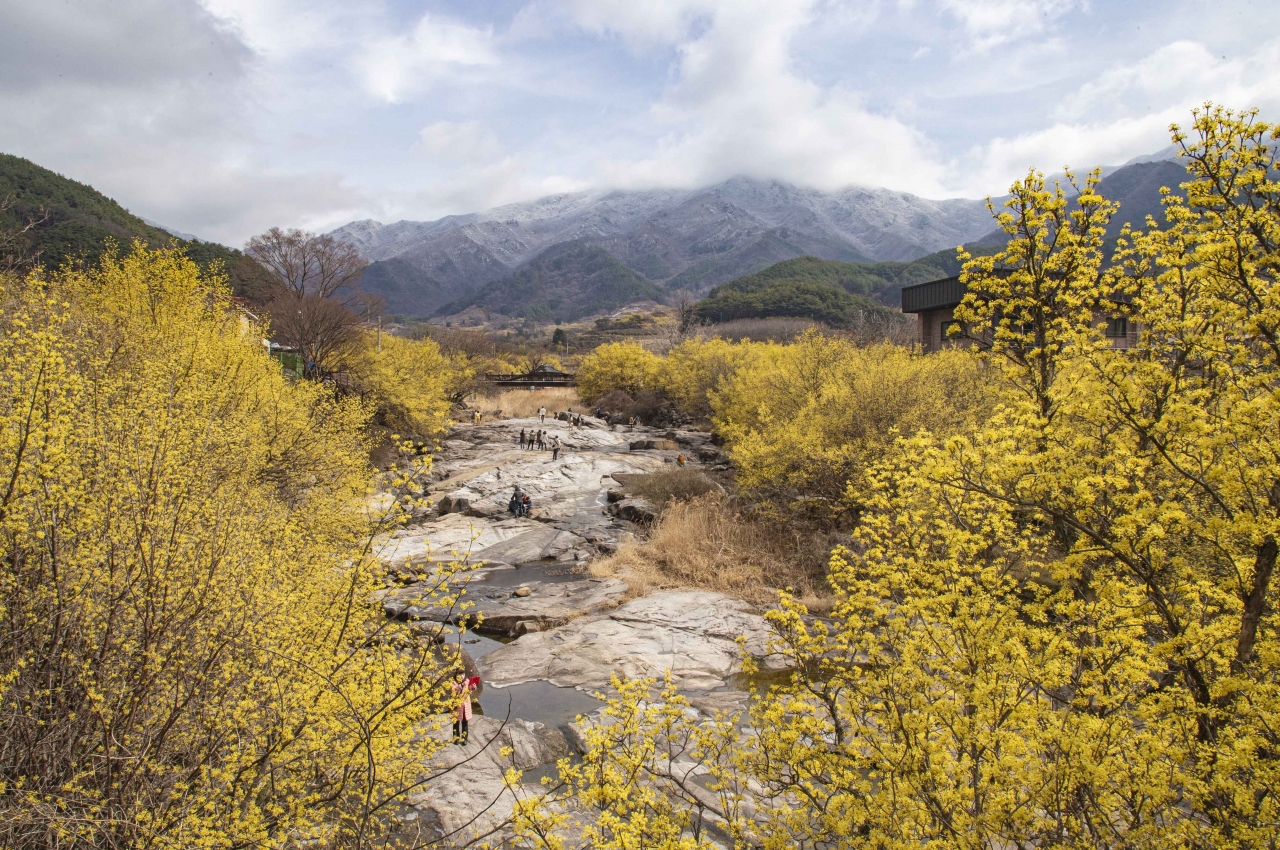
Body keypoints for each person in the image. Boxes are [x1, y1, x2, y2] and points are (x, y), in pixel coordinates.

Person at [452, 672, 475, 745]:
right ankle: (456, 738)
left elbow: (470, 689)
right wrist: (461, 685)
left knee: (465, 723)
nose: (462, 676)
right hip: (457, 706)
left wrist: (473, 687)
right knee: (456, 723)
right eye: (460, 674)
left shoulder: (467, 681)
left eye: (463, 674)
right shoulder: (453, 682)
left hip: (465, 706)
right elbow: (454, 692)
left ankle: (464, 739)